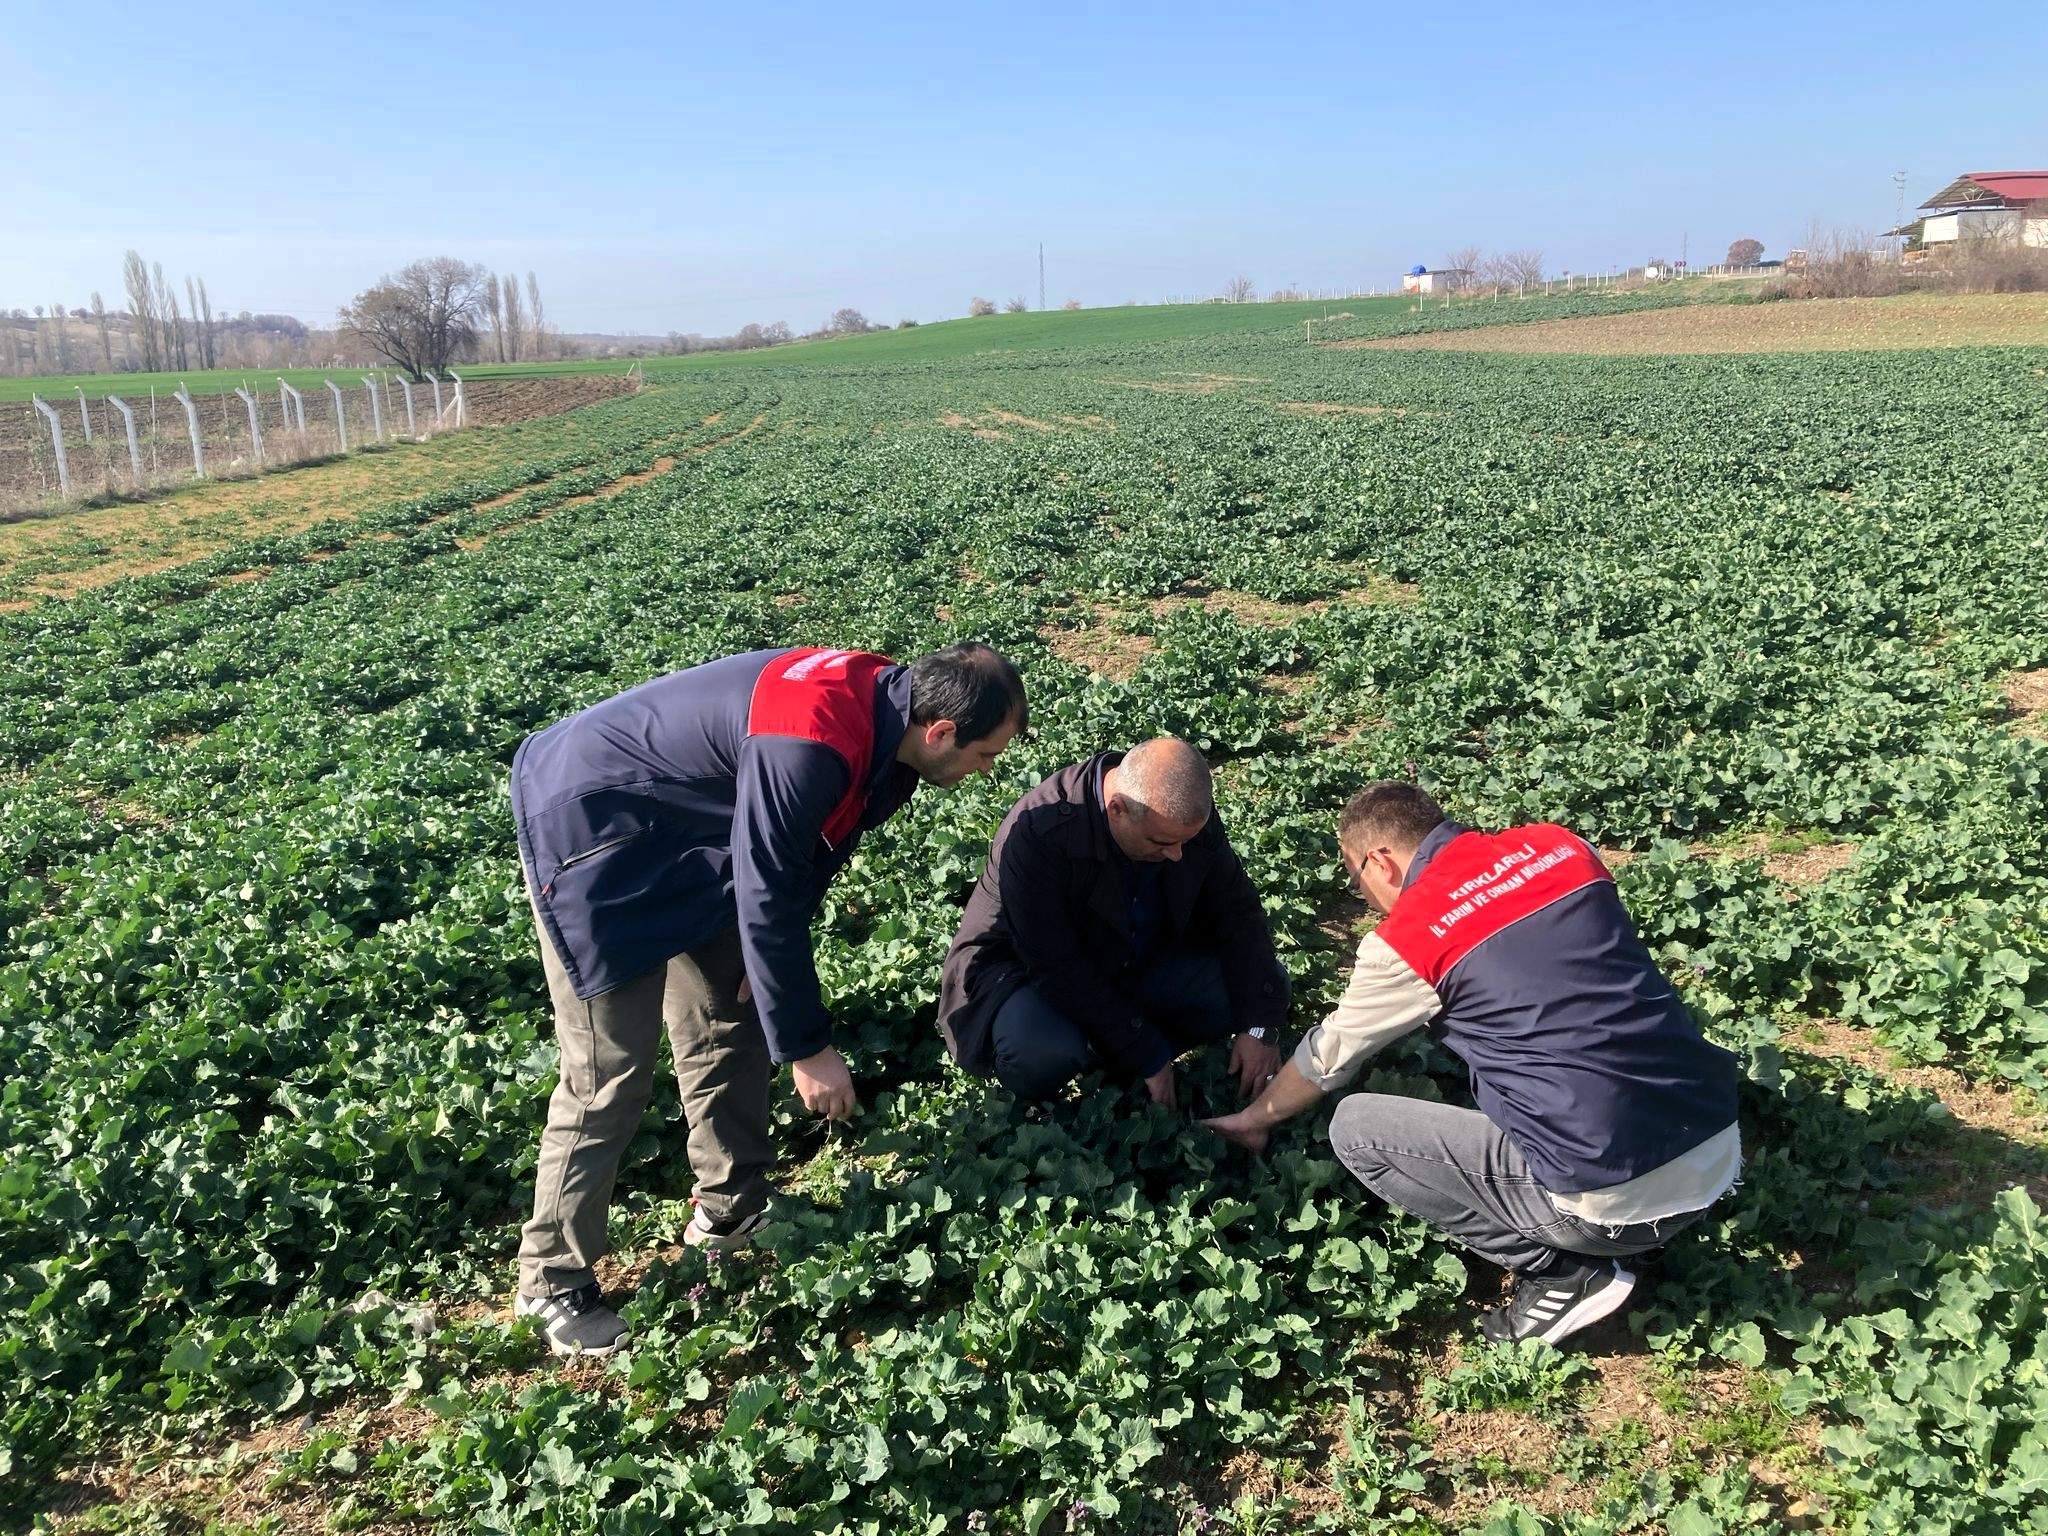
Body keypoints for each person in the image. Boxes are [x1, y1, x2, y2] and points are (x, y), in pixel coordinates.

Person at [510, 643, 1026, 1355]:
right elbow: (766, 882)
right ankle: (550, 1279)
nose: (986, 771)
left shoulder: (886, 714)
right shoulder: (811, 741)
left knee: (731, 1011)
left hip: (696, 836)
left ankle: (729, 1208)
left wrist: (773, 973)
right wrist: (808, 1046)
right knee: (609, 1073)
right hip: (598, 833)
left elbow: (809, 845)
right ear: (940, 731)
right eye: (985, 755)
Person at [1204, 782, 1740, 1347]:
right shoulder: (1562, 848)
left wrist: (1254, 1119)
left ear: (1380, 863)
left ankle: (1560, 1273)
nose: (1363, 898)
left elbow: (1327, 1056)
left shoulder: (1409, 938)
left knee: (1356, 1127)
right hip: (1717, 1147)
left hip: (1613, 1203)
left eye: (1355, 880)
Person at [938, 737, 1289, 1107]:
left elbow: (1237, 909)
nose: (1177, 854)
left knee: (1264, 991)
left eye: (1186, 841)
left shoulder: (1178, 816)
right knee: (1039, 1051)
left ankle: (1109, 1041)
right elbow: (1056, 967)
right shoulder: (1041, 833)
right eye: (1162, 842)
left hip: (1138, 958)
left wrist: (1259, 1027)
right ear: (1117, 809)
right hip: (1031, 976)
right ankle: (1104, 1045)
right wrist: (1146, 1053)